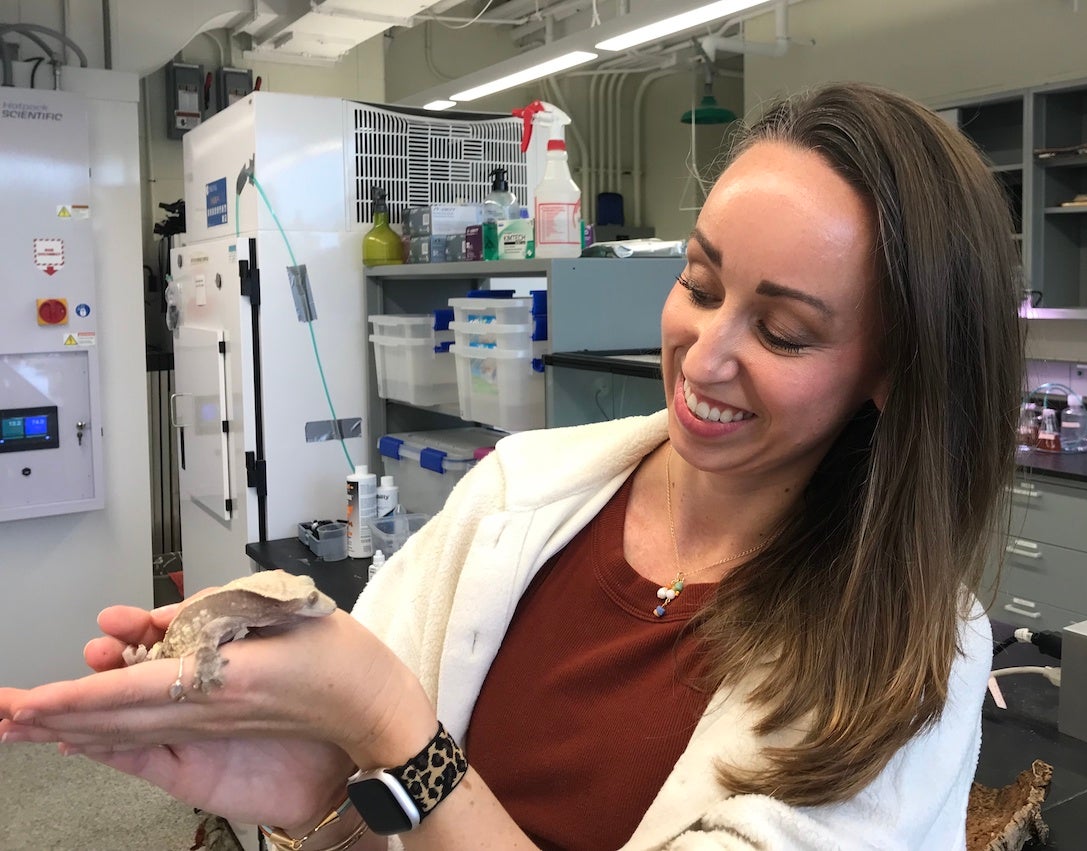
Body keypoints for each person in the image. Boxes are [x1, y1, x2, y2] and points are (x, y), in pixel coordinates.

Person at [0, 81, 1022, 850]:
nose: (706, 355)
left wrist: (382, 716)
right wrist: (301, 785)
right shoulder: (517, 491)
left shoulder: (910, 660)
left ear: (891, 368)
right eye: (702, 284)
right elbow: (381, 791)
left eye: (786, 330)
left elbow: (396, 735)